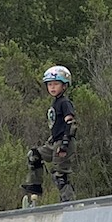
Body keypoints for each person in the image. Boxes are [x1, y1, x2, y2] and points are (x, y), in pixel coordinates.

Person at [20, 65, 78, 206]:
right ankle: (35, 186)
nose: (52, 87)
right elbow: (56, 125)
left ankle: (69, 201)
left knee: (60, 175)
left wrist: (64, 144)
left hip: (64, 142)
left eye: (56, 84)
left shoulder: (65, 103)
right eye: (50, 84)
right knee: (34, 155)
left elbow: (71, 123)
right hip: (55, 141)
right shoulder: (55, 102)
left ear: (64, 86)